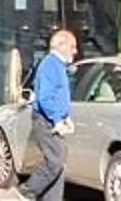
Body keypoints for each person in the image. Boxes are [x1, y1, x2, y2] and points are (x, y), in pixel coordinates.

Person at [20, 25, 80, 201]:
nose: (75, 51)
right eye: (72, 46)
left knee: (59, 163)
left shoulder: (58, 65)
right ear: (61, 45)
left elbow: (57, 96)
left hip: (51, 120)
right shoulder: (50, 64)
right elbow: (45, 98)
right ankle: (27, 192)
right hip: (45, 121)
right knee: (54, 161)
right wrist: (56, 120)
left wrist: (65, 117)